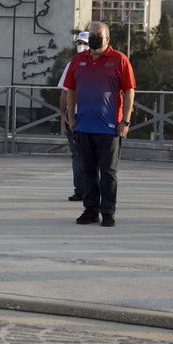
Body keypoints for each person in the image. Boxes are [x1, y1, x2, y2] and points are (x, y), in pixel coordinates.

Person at [65, 21, 135, 227]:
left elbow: (129, 91)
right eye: (91, 35)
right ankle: (90, 209)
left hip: (109, 127)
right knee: (88, 171)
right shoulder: (78, 60)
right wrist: (71, 117)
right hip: (84, 126)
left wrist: (126, 121)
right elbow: (71, 89)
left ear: (108, 39)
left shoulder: (119, 60)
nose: (94, 39)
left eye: (98, 36)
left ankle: (108, 211)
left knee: (108, 172)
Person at [57, 31, 90, 201]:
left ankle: (89, 190)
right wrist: (64, 114)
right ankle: (81, 190)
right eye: (79, 43)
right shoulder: (72, 65)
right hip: (75, 117)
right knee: (78, 155)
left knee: (89, 156)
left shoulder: (87, 65)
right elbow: (65, 92)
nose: (81, 46)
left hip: (91, 117)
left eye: (84, 43)